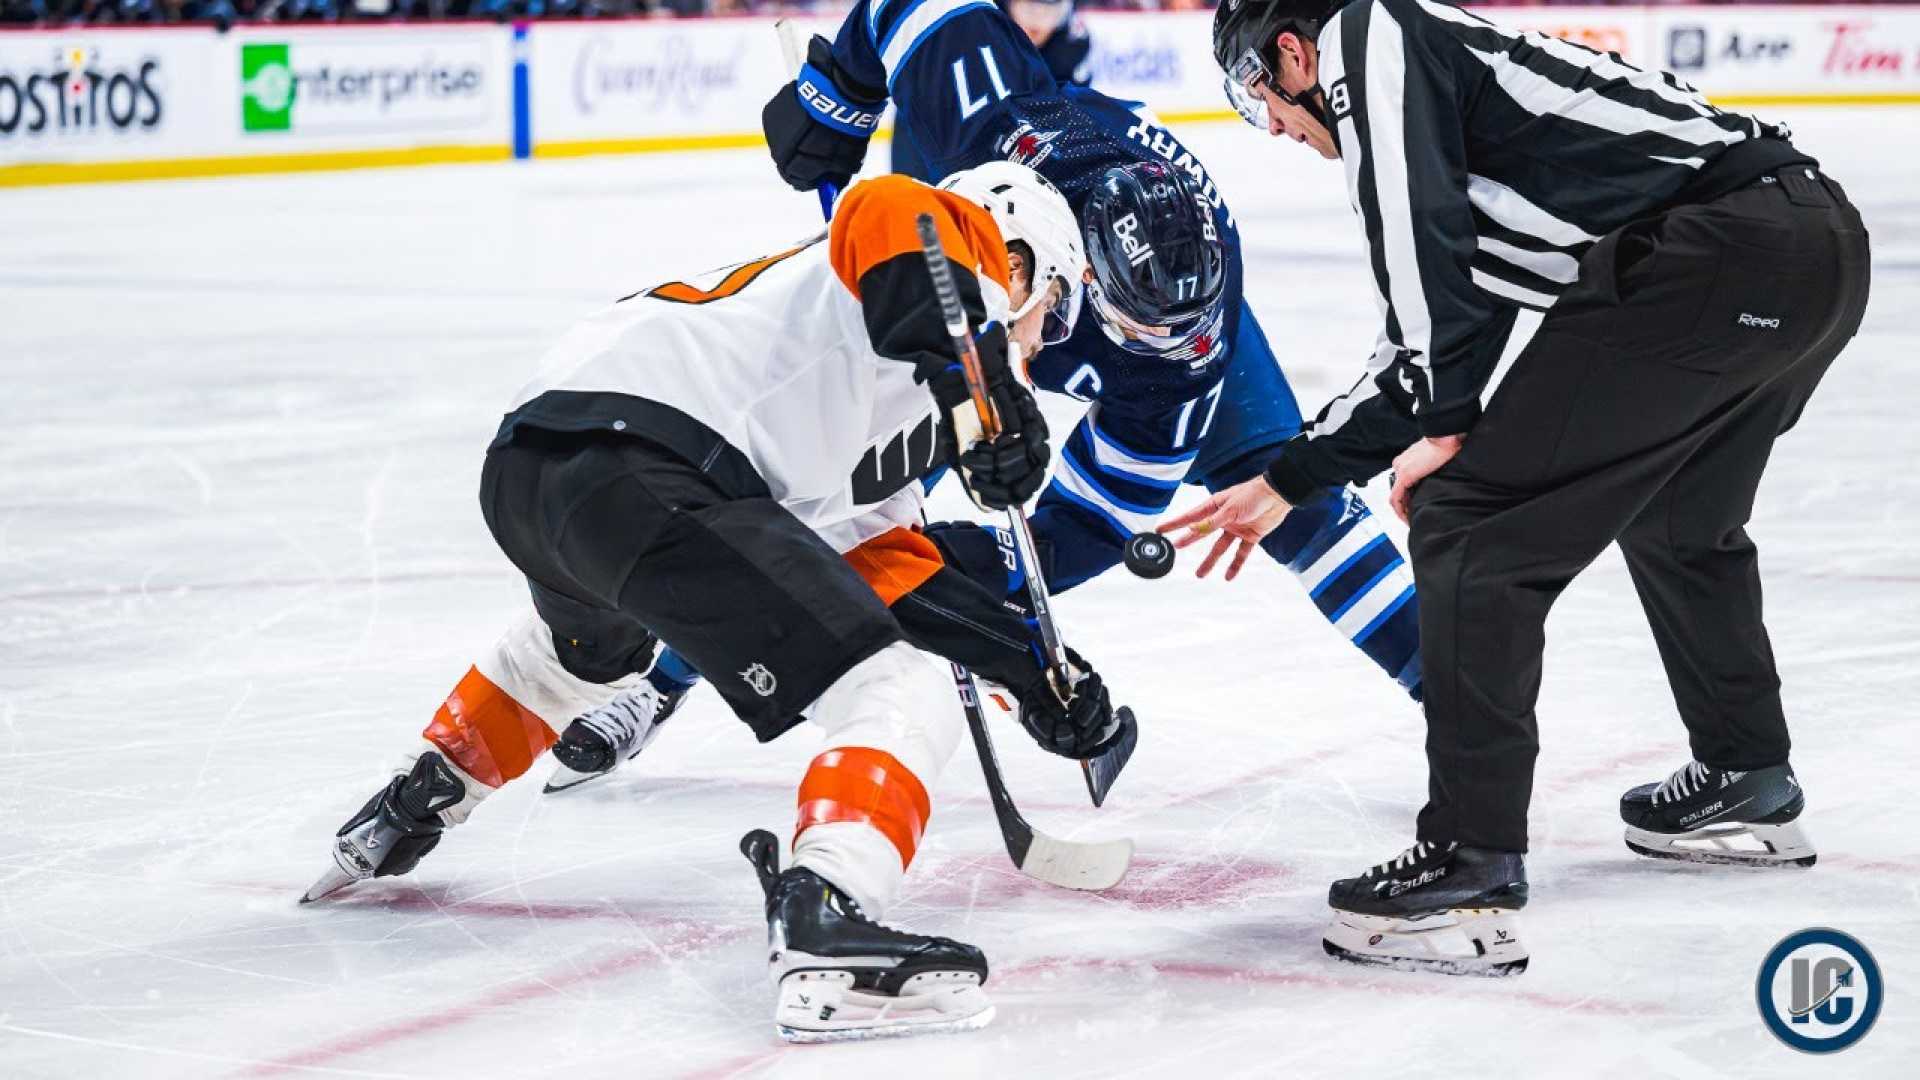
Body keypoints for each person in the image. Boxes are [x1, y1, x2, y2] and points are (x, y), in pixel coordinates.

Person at [302, 163, 1126, 1041]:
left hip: (540, 473)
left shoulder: (893, 390)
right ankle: (829, 914)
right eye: (1059, 311)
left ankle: (421, 794)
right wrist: (985, 384)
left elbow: (880, 563)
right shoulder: (923, 253)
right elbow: (893, 206)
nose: (1052, 341)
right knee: (896, 694)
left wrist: (1032, 668)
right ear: (1025, 262)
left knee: (591, 651)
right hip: (652, 459)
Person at [1168, 0, 1871, 976]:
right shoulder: (1457, 108)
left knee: (1470, 530)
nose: (1279, 132)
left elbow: (1430, 333)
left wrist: (1332, 462)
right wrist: (1324, 463)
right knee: (1680, 518)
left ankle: (1469, 866)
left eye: (1262, 102)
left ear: (1292, 53)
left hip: (1725, 255)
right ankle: (1746, 775)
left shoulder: (1367, 36)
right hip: (1812, 247)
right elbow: (1450, 315)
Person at [892, 0, 1094, 181]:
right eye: (1030, 9)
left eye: (1050, 13)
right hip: (946, 120)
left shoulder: (1072, 43)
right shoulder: (972, 28)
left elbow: (1071, 116)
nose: (1037, 24)